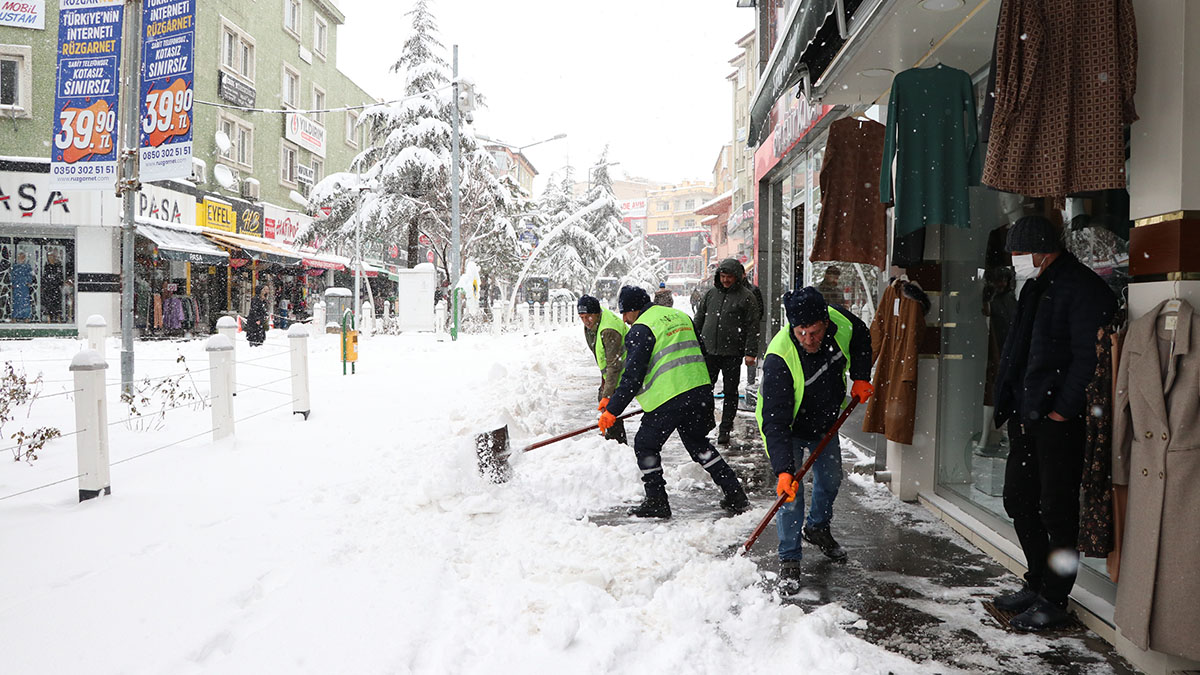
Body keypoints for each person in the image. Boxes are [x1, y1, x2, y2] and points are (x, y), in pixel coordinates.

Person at [991, 215, 1117, 631]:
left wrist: (1063, 409)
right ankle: (1038, 580)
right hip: (1028, 417)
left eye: (1018, 252)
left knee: (1056, 511)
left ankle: (1055, 598)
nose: (1014, 260)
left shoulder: (1082, 288)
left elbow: (1090, 360)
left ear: (1041, 250)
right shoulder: (1035, 286)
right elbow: (1019, 350)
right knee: (1018, 501)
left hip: (1060, 423)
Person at [756, 287, 873, 589]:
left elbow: (861, 335)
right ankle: (790, 558)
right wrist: (784, 470)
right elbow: (775, 420)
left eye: (815, 331)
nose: (808, 339)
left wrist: (861, 375)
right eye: (801, 332)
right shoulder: (779, 357)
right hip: (788, 427)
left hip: (824, 422)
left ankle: (818, 528)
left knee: (831, 478)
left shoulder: (841, 323)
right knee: (791, 495)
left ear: (825, 322)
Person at [599, 285, 750, 518]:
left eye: (625, 312)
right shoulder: (681, 317)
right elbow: (701, 350)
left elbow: (632, 375)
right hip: (699, 391)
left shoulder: (641, 328)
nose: (624, 319)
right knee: (699, 445)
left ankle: (657, 500)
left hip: (670, 396)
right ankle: (735, 493)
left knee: (645, 445)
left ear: (633, 309)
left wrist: (612, 410)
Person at [693, 258, 761, 445]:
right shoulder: (711, 294)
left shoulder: (747, 297)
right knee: (705, 390)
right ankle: (703, 425)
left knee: (730, 393)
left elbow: (752, 327)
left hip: (732, 353)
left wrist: (750, 352)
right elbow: (699, 318)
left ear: (737, 277)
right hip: (709, 352)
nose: (725, 280)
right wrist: (693, 340)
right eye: (722, 276)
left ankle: (725, 428)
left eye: (729, 277)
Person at [578, 294, 628, 444]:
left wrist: (607, 394)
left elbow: (613, 365)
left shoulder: (608, 330)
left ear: (597, 313)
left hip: (625, 370)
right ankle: (613, 437)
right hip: (614, 370)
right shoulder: (594, 325)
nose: (586, 321)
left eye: (588, 317)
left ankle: (616, 442)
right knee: (604, 400)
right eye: (582, 317)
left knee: (609, 405)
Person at [42, 251, 64, 323]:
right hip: (48, 289)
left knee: (57, 304)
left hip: (56, 288)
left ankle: (58, 318)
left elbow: (60, 278)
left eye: (52, 257)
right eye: (49, 257)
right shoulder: (47, 267)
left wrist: (59, 283)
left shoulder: (58, 267)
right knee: (48, 304)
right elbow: (45, 278)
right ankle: (49, 320)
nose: (51, 258)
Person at [11, 252, 33, 321]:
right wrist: (12, 283)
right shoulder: (15, 266)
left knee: (25, 301)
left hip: (24, 286)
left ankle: (26, 317)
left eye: (22, 257)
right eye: (20, 257)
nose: (21, 258)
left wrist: (29, 281)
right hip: (17, 286)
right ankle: (15, 317)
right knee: (16, 301)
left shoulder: (27, 266)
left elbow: (29, 275)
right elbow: (12, 275)